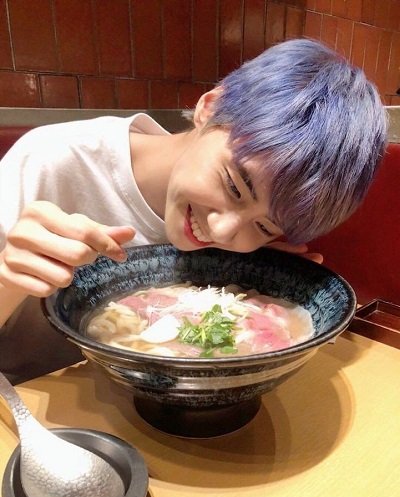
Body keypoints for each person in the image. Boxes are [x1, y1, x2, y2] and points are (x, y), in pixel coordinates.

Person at [0, 38, 387, 332]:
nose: (222, 230)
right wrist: (7, 278)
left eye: (265, 225)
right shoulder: (52, 160)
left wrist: (255, 282)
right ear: (209, 107)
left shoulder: (240, 242)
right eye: (235, 187)